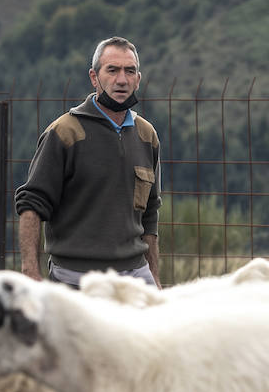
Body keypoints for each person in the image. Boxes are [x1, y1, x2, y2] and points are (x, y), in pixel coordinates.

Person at [15, 35, 161, 288]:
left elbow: (149, 213)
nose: (122, 80)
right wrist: (30, 271)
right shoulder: (64, 133)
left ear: (138, 80)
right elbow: (32, 204)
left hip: (136, 275)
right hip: (76, 277)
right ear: (94, 77)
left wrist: (155, 277)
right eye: (112, 70)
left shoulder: (146, 136)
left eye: (130, 71)